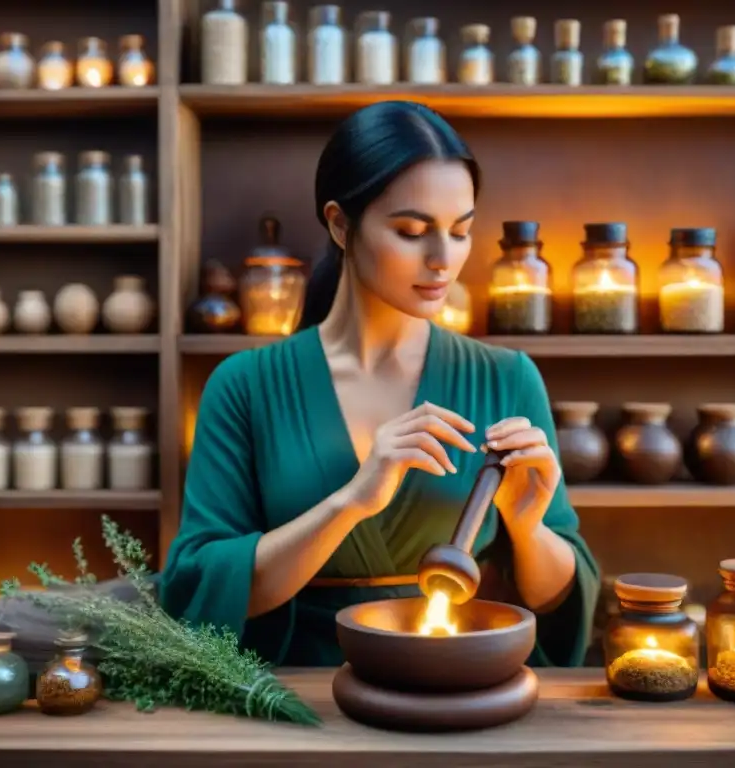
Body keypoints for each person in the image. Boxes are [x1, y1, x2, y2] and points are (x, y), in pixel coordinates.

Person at [161, 100, 600, 666]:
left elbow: (560, 597)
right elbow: (197, 584)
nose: (444, 259)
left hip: (457, 678)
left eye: (461, 232)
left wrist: (527, 525)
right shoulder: (244, 387)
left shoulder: (507, 378)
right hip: (287, 694)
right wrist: (351, 501)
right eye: (413, 231)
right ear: (341, 224)